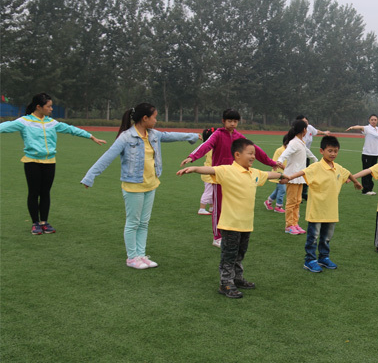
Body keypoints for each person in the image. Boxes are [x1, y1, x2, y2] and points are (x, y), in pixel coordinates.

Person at [81, 103, 199, 269]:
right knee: (133, 223)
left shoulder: (153, 134)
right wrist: (89, 177)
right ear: (145, 118)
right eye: (154, 117)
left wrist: (192, 136)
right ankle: (132, 258)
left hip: (151, 184)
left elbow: (170, 135)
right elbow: (107, 156)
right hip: (133, 186)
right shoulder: (126, 137)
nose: (156, 120)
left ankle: (141, 255)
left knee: (144, 222)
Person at [177, 138, 285, 298]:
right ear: (237, 155)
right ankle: (225, 283)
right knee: (229, 255)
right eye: (250, 153)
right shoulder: (227, 170)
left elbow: (268, 174)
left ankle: (237, 278)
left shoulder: (254, 173)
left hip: (246, 223)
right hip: (230, 224)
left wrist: (283, 176)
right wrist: (194, 168)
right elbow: (210, 170)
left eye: (254, 153)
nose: (253, 156)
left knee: (240, 253)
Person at [0, 93, 106, 235]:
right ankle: (35, 223)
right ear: (39, 107)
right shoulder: (24, 122)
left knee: (45, 193)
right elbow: (4, 126)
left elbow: (70, 129)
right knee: (34, 193)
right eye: (49, 106)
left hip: (50, 162)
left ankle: (44, 222)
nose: (51, 109)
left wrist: (90, 136)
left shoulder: (51, 122)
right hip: (32, 162)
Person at [180, 109, 282, 247]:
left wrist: (271, 162)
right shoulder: (217, 135)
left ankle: (232, 233)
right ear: (223, 121)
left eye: (235, 121)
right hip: (221, 176)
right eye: (230, 121)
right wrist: (192, 157)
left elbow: (255, 150)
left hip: (236, 177)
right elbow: (206, 145)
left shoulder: (239, 137)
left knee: (234, 207)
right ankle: (217, 237)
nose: (233, 124)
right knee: (218, 208)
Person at [281, 136, 362, 272]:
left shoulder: (337, 168)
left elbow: (347, 173)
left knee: (326, 237)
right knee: (313, 237)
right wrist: (289, 177)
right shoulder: (316, 167)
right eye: (330, 151)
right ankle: (310, 260)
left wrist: (356, 182)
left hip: (331, 210)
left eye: (335, 151)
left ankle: (324, 257)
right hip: (316, 210)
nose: (333, 154)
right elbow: (303, 172)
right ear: (321, 151)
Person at [278, 119, 318, 235]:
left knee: (297, 201)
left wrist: (316, 160)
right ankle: (289, 225)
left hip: (300, 176)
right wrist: (280, 160)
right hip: (292, 176)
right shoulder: (294, 143)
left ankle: (295, 223)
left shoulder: (301, 142)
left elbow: (308, 152)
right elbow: (285, 153)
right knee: (291, 202)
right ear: (304, 130)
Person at [346, 114, 378, 195]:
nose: (373, 121)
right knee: (366, 171)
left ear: (377, 121)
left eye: (375, 120)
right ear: (369, 120)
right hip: (367, 153)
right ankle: (365, 190)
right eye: (372, 120)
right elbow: (359, 127)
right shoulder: (367, 128)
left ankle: (370, 189)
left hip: (375, 154)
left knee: (372, 171)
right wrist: (352, 127)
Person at [296, 115, 330, 201]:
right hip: (298, 157)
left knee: (306, 174)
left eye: (306, 121)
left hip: (306, 156)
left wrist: (324, 133)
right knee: (298, 175)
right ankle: (297, 194)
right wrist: (313, 157)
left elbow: (316, 131)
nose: (306, 123)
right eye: (304, 122)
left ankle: (303, 193)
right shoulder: (296, 132)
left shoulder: (310, 128)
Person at [264, 134, 290, 213]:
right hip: (278, 173)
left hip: (283, 173)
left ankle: (268, 201)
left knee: (278, 189)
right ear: (286, 142)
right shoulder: (280, 150)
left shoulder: (287, 150)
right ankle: (278, 206)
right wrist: (287, 170)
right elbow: (279, 163)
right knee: (282, 190)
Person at [197, 127, 218, 215]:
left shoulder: (207, 146)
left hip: (208, 172)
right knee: (209, 192)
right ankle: (202, 208)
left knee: (212, 191)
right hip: (209, 172)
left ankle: (212, 207)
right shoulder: (212, 148)